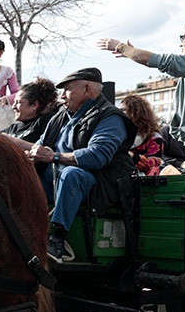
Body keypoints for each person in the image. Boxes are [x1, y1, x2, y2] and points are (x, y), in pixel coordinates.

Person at [15, 67, 136, 263]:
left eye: (67, 90)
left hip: (98, 186)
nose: (62, 96)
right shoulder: (60, 117)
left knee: (72, 174)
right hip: (57, 182)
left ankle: (57, 239)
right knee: (22, 176)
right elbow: (40, 146)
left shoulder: (110, 117)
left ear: (87, 89)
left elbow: (97, 156)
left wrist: (54, 157)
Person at [98, 16, 185, 172]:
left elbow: (161, 61)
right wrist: (134, 53)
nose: (181, 43)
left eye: (184, 37)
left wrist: (122, 47)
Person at [2, 77, 58, 144]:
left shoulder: (46, 121)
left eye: (19, 102)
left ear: (34, 105)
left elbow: (44, 148)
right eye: (14, 102)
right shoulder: (12, 129)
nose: (13, 107)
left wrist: (12, 140)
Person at [120, 94, 164, 176]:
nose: (119, 113)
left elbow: (154, 163)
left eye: (123, 110)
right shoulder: (118, 134)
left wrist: (132, 156)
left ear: (136, 112)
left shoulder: (153, 137)